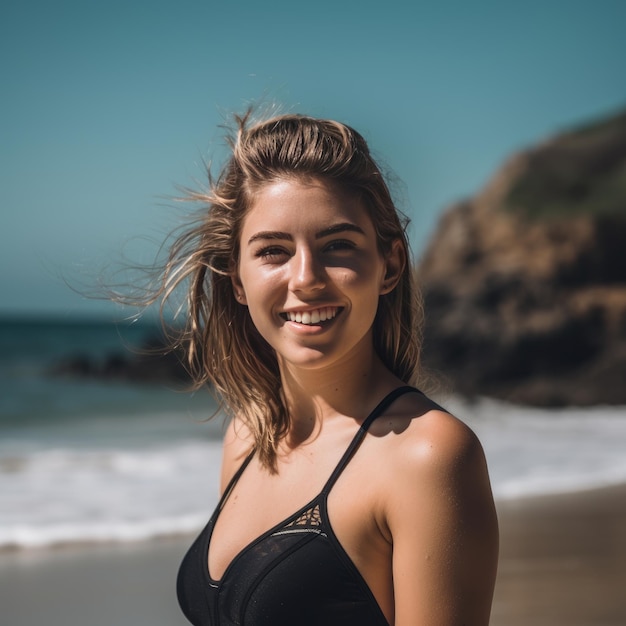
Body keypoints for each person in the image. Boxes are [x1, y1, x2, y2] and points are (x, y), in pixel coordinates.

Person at [159, 111, 499, 625]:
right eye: (273, 251)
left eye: (337, 245)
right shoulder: (248, 438)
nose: (306, 278)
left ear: (389, 265)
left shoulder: (427, 456)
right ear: (236, 280)